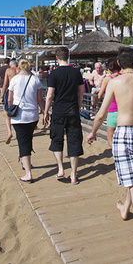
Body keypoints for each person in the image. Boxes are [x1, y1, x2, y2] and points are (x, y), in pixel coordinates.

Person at [86, 47, 133, 252]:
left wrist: (93, 132)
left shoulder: (115, 82)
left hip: (125, 132)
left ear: (119, 64)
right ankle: (125, 209)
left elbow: (102, 114)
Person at [44, 47, 84, 184]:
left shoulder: (54, 74)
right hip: (73, 111)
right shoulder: (76, 72)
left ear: (57, 58)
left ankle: (61, 169)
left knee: (57, 139)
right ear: (68, 57)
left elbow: (50, 95)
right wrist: (78, 107)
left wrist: (45, 112)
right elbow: (81, 92)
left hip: (59, 111)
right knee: (74, 141)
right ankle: (73, 175)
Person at [8, 59, 45, 183]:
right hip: (32, 115)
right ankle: (26, 162)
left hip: (19, 115)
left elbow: (10, 99)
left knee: (22, 142)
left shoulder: (14, 80)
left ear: (19, 67)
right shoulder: (35, 80)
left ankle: (28, 173)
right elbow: (40, 99)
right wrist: (45, 112)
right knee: (28, 139)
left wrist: (9, 110)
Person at [92, 57, 121, 147]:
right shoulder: (123, 77)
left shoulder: (108, 79)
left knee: (111, 138)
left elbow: (100, 95)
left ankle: (116, 155)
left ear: (108, 69)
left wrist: (94, 104)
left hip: (112, 110)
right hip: (124, 110)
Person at [1, 59, 19, 144]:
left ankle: (9, 132)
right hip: (19, 92)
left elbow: (5, 84)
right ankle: (18, 131)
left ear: (10, 64)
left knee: (7, 112)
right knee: (18, 111)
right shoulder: (20, 70)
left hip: (10, 91)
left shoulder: (8, 70)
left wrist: (2, 95)